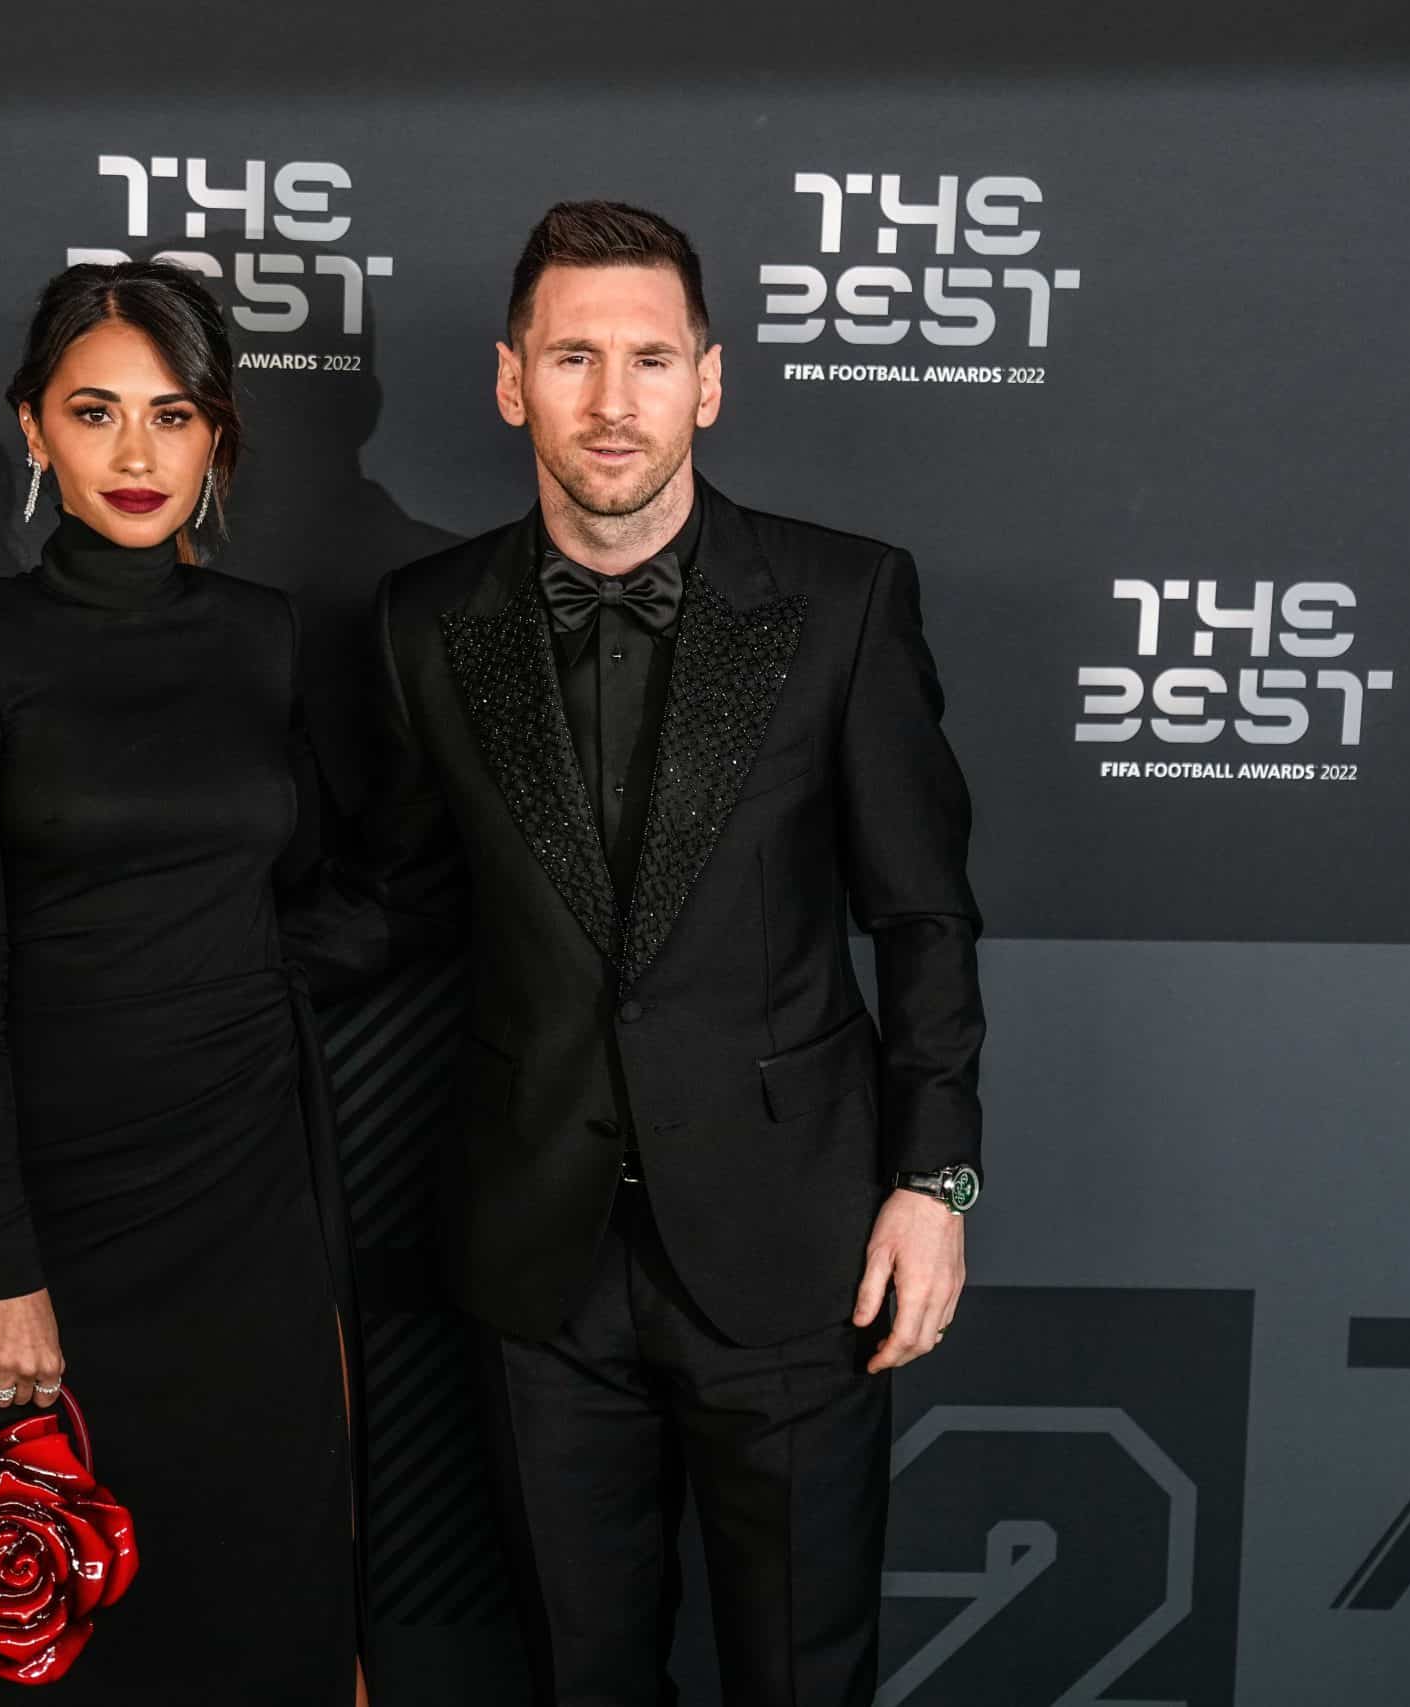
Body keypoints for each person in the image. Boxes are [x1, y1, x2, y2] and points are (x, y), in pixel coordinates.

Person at [287, 201, 986, 1706]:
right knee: (577, 1681)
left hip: (795, 1245)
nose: (613, 401)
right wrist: (171, 960)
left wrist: (935, 1182)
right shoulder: (425, 620)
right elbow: (397, 899)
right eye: (574, 358)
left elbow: (924, 914)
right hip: (537, 1256)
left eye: (651, 359)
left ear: (708, 382)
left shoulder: (845, 600)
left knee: (801, 1678)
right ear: (510, 381)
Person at [0, 260, 365, 1705]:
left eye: (175, 414)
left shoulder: (267, 637)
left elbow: (333, 890)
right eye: (96, 413)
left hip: (248, 1197)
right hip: (52, 1209)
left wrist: (223, 985)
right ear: (34, 428)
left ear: (219, 434)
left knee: (260, 1595)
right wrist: (6, 1277)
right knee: (53, 1636)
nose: (138, 453)